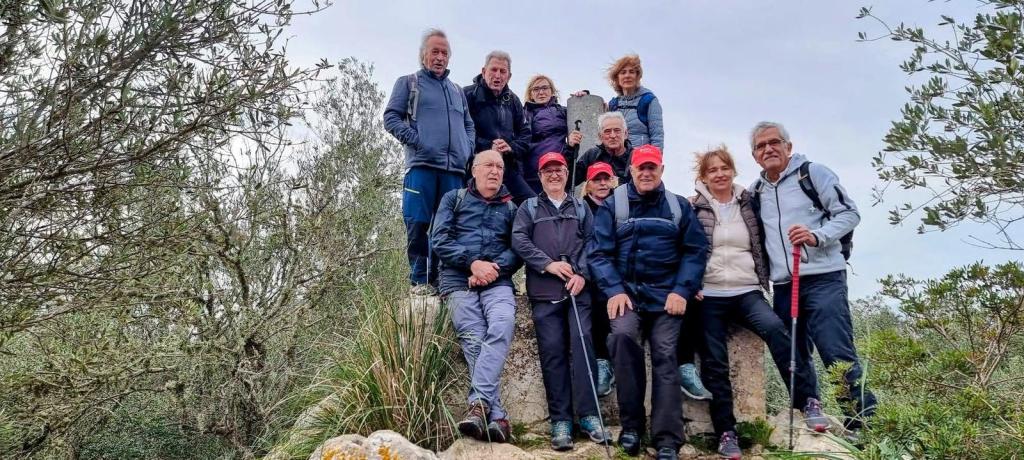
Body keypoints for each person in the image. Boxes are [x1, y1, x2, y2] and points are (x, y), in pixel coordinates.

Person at [689, 146, 821, 460]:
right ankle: (726, 433)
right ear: (703, 177)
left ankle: (807, 401)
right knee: (714, 361)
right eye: (712, 170)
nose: (719, 174)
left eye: (724, 168)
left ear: (733, 171)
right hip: (709, 294)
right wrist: (689, 284)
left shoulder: (750, 202)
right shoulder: (693, 207)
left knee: (777, 330)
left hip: (746, 290)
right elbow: (685, 249)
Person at [749, 121, 878, 435]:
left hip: (824, 278)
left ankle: (863, 423)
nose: (769, 149)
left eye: (774, 142)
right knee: (791, 352)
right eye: (761, 146)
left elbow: (850, 214)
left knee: (835, 351)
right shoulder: (756, 191)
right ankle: (808, 405)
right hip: (784, 283)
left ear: (788, 146)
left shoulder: (813, 174)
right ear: (754, 155)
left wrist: (817, 235)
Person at [588, 144, 708, 459]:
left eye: (651, 167)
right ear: (631, 170)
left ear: (661, 170)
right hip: (627, 296)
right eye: (641, 167)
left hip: (667, 298)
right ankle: (632, 427)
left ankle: (667, 438)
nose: (646, 173)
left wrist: (681, 290)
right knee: (622, 339)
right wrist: (614, 290)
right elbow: (598, 254)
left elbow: (695, 251)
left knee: (666, 354)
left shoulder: (678, 207)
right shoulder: (613, 205)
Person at [511, 152, 611, 451]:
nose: (554, 175)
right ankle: (561, 420)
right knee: (552, 353)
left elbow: (593, 243)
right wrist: (548, 264)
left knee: (583, 347)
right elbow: (519, 240)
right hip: (544, 292)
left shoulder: (581, 207)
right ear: (540, 176)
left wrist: (581, 274)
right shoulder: (529, 207)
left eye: (559, 170)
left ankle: (590, 416)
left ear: (567, 174)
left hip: (578, 291)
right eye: (548, 171)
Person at [431, 150, 522, 443]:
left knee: (503, 322)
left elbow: (518, 249)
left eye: (500, 167)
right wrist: (472, 263)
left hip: (497, 280)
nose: (495, 171)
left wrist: (491, 270)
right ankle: (497, 416)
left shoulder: (511, 208)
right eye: (489, 165)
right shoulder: (453, 199)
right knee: (473, 338)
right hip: (458, 281)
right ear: (474, 170)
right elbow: (439, 239)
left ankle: (479, 406)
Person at [383, 28, 475, 296]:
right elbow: (391, 118)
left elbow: (468, 125)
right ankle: (420, 280)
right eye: (435, 52)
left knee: (448, 227)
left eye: (444, 53)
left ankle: (443, 280)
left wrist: (467, 149)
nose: (440, 57)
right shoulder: (408, 83)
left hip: (454, 171)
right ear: (423, 54)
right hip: (421, 167)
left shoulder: (457, 91)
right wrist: (418, 141)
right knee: (418, 223)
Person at [464, 51, 534, 204]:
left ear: (509, 76)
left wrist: (511, 147)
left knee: (532, 205)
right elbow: (460, 132)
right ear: (484, 71)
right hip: (475, 166)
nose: (498, 75)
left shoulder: (513, 100)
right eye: (493, 70)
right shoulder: (467, 95)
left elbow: (526, 135)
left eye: (503, 71)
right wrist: (488, 146)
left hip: (506, 166)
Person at [580, 162, 617, 398]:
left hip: (617, 271)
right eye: (597, 179)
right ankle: (603, 363)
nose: (602, 184)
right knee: (595, 304)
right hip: (590, 272)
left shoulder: (622, 205)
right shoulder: (581, 208)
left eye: (606, 179)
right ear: (588, 184)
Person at [523, 75, 583, 193]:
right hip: (533, 171)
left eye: (545, 88)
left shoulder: (562, 110)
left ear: (552, 91)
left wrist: (582, 97)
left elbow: (583, 116)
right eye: (536, 89)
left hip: (559, 165)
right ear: (530, 94)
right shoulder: (523, 113)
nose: (541, 92)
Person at [606, 54, 664, 151]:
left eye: (631, 72)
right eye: (623, 72)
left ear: (637, 76)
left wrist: (655, 158)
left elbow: (657, 135)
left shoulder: (648, 100)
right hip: (616, 157)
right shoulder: (613, 104)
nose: (627, 75)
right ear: (617, 78)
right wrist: (584, 95)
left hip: (641, 157)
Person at [572, 112, 634, 187]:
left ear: (626, 134)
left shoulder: (636, 156)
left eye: (617, 130)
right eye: (607, 131)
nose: (613, 135)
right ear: (600, 136)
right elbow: (570, 181)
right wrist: (570, 148)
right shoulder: (592, 155)